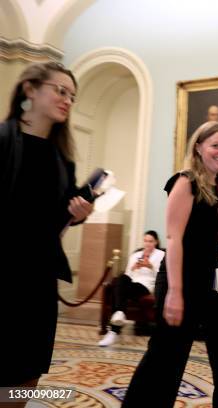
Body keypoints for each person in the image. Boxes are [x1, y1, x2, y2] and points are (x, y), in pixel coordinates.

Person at [122, 121, 218, 407]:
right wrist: (175, 292)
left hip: (216, 277)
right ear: (198, 146)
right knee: (166, 356)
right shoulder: (185, 182)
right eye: (216, 145)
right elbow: (173, 238)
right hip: (182, 277)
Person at [0, 62, 94, 396]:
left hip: (38, 278)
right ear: (30, 89)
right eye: (60, 90)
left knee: (30, 368)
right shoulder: (3, 140)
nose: (68, 99)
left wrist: (78, 212)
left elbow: (57, 219)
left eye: (72, 95)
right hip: (3, 274)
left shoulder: (61, 158)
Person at [98, 230, 165, 346]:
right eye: (145, 241)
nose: (147, 244)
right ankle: (119, 314)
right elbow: (128, 275)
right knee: (121, 278)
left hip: (146, 285)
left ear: (156, 242)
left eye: (150, 241)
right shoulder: (135, 255)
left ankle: (114, 330)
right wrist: (133, 268)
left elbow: (162, 276)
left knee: (117, 290)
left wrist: (150, 266)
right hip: (132, 282)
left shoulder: (161, 255)